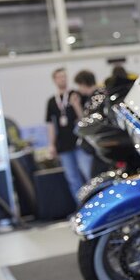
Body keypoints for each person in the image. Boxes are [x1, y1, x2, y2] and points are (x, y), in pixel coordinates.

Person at [45, 68, 89, 202]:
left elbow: (84, 119)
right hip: (63, 145)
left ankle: (93, 201)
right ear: (54, 80)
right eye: (59, 77)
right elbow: (51, 125)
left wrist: (76, 105)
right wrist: (51, 144)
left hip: (79, 141)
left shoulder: (76, 95)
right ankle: (80, 205)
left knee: (87, 173)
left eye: (64, 76)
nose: (62, 79)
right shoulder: (52, 101)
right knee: (72, 177)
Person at [72, 70, 97, 179]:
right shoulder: (91, 98)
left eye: (79, 85)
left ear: (83, 83)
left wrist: (76, 106)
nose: (79, 89)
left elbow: (86, 121)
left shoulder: (95, 98)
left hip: (94, 144)